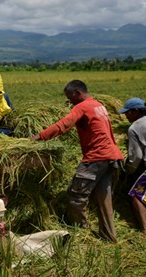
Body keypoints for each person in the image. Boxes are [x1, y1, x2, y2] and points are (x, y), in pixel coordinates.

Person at [31, 80, 123, 242]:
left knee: (76, 195)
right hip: (112, 155)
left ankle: (81, 230)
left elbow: (63, 125)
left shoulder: (82, 107)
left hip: (97, 157)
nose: (70, 101)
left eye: (70, 97)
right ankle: (109, 236)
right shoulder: (97, 105)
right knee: (103, 197)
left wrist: (39, 137)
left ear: (78, 93)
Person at [118, 98, 146, 235]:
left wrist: (127, 171)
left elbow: (136, 156)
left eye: (127, 113)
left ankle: (145, 230)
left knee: (136, 195)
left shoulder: (134, 128)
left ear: (136, 111)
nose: (125, 116)